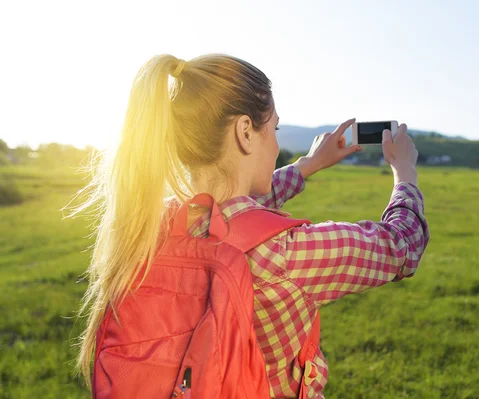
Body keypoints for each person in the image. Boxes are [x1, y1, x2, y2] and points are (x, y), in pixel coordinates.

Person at [67, 53, 430, 398]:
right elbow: (402, 245)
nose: (275, 144)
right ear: (245, 131)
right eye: (273, 128)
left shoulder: (153, 225)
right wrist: (405, 173)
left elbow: (236, 215)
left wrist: (308, 165)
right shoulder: (286, 254)